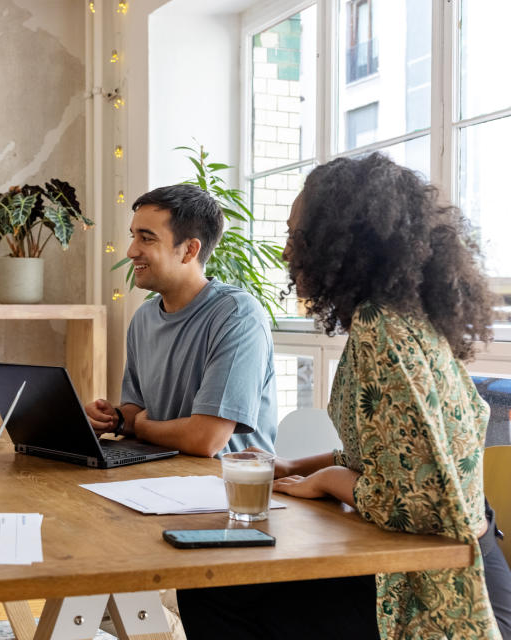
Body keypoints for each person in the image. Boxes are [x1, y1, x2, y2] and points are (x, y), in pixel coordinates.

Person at [180, 153, 511, 639]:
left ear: (341, 243)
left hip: (449, 593)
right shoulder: (399, 318)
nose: (288, 252)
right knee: (224, 587)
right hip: (432, 567)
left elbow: (432, 503)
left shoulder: (385, 331)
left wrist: (332, 480)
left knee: (220, 590)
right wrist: (297, 467)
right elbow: (395, 451)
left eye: (298, 236)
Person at [84, 183, 277, 457]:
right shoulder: (144, 317)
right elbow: (137, 410)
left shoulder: (238, 315)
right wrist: (113, 418)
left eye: (146, 238)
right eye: (133, 236)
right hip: (159, 476)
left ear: (189, 250)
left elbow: (206, 439)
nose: (130, 251)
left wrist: (140, 428)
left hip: (223, 488)